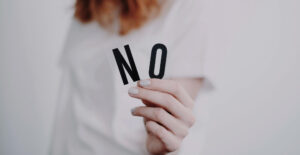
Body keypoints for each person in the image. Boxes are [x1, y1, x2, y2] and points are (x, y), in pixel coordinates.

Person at [50, 0, 208, 154]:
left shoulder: (186, 7)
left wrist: (162, 143)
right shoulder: (88, 7)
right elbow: (69, 102)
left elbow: (176, 125)